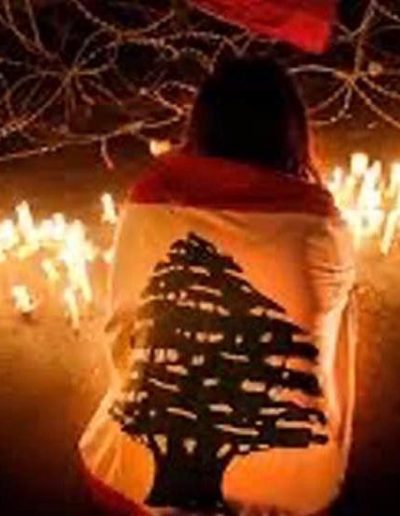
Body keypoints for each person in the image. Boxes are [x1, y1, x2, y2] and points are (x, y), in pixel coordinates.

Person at [79, 56, 356, 516]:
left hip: (129, 473)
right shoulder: (319, 225)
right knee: (341, 317)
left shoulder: (148, 202)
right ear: (292, 131)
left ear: (201, 123)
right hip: (287, 491)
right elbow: (324, 355)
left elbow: (122, 332)